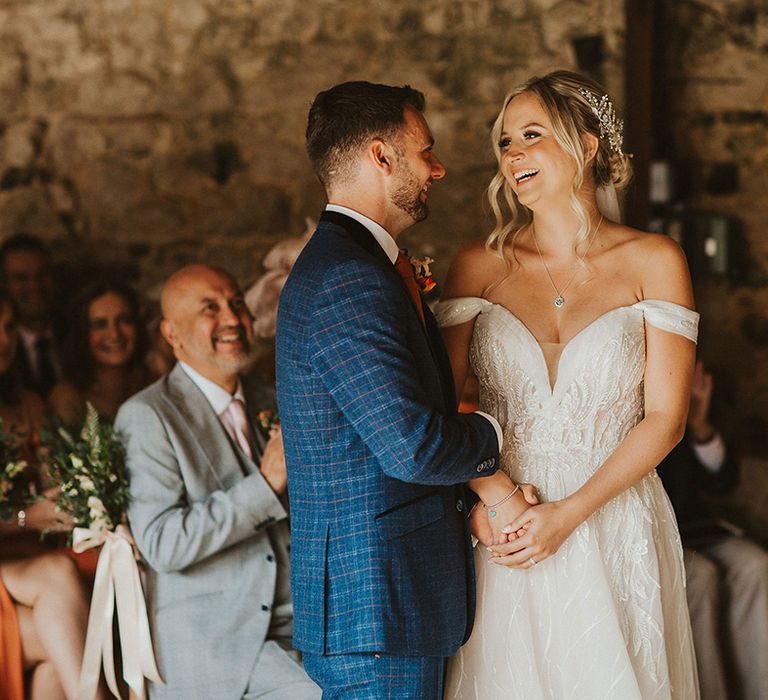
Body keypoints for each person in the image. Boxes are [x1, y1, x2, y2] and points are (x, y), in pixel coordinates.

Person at [436, 70, 700, 698]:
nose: (514, 154)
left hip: (613, 517)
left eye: (532, 134)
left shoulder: (654, 260)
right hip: (508, 524)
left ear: (585, 146)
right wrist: (488, 501)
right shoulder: (478, 265)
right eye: (504, 143)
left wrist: (572, 514)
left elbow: (666, 419)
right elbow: (438, 410)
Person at [276, 81, 536, 699]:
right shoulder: (348, 277)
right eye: (426, 151)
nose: (439, 168)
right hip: (376, 608)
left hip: (381, 605)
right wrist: (498, 430)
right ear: (380, 156)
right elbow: (412, 448)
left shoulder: (358, 265)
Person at [116, 264, 320, 700]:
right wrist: (265, 486)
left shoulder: (273, 395)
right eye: (211, 308)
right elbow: (162, 542)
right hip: (222, 644)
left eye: (236, 303)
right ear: (172, 334)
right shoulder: (148, 415)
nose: (232, 319)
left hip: (308, 626)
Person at [0, 288, 95, 700]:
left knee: (61, 636)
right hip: (17, 562)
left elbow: (51, 477)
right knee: (61, 588)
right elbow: (30, 512)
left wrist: (73, 495)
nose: (4, 341)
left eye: (6, 328)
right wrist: (25, 517)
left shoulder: (29, 403)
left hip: (32, 560)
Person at [658, 361, 768, 700]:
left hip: (699, 528)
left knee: (754, 562)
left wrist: (700, 424)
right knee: (700, 576)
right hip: (656, 534)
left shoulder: (686, 379)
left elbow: (723, 480)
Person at [49, 280, 153, 428]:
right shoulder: (68, 397)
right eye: (100, 325)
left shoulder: (153, 383)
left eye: (124, 320)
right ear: (82, 335)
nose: (114, 334)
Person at [0, 234, 62, 398]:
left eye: (41, 275)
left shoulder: (76, 333)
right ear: (4, 284)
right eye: (21, 278)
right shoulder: (4, 345)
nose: (35, 286)